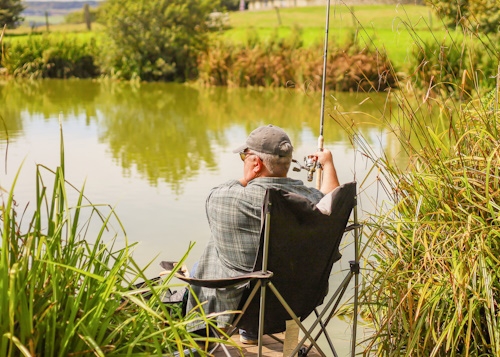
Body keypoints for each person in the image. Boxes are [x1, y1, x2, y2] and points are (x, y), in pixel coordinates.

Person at [186, 124, 339, 343]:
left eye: (244, 157)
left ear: (256, 163)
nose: (243, 162)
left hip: (242, 308)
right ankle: (251, 332)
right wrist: (328, 164)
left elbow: (222, 191)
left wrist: (249, 175)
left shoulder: (228, 199)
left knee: (210, 258)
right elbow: (333, 197)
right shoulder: (309, 201)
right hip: (295, 303)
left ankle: (202, 335)